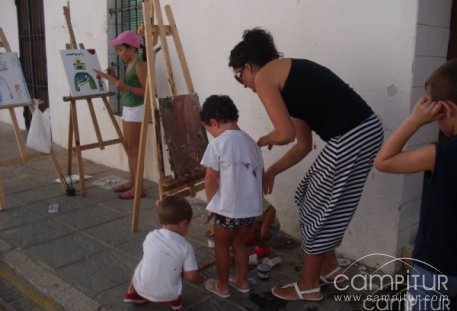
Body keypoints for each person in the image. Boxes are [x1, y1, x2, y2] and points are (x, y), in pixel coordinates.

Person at [229, 28, 384, 301]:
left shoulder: (266, 75)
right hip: (363, 132)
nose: (243, 84)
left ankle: (309, 284)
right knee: (310, 195)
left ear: (249, 66)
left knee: (317, 206)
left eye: (239, 76)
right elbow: (302, 144)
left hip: (352, 135)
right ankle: (331, 268)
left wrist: (260, 140)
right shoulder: (289, 78)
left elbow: (284, 135)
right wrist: (272, 171)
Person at [374, 59, 457, 311]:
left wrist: (414, 120)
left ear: (445, 109)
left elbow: (383, 161)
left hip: (434, 267)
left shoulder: (440, 154)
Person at [200, 95, 263, 298]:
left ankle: (223, 286)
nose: (211, 134)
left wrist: (211, 205)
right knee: (240, 244)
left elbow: (210, 178)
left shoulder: (218, 144)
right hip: (250, 210)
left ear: (214, 122)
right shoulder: (251, 142)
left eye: (209, 130)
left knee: (221, 245)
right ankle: (242, 281)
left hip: (227, 210)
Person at [123, 196, 204, 310]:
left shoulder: (151, 236)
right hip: (169, 294)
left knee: (143, 261)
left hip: (142, 288)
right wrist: (200, 278)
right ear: (184, 223)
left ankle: (132, 292)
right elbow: (191, 277)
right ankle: (175, 301)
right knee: (178, 266)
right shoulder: (186, 247)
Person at [98, 30, 147, 199]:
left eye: (120, 50)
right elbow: (127, 86)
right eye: (117, 50)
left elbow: (147, 91)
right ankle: (133, 181)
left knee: (134, 149)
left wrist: (126, 88)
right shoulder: (131, 63)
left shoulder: (140, 65)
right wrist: (114, 78)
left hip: (136, 109)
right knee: (130, 148)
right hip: (129, 108)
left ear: (132, 48)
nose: (119, 54)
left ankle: (138, 187)